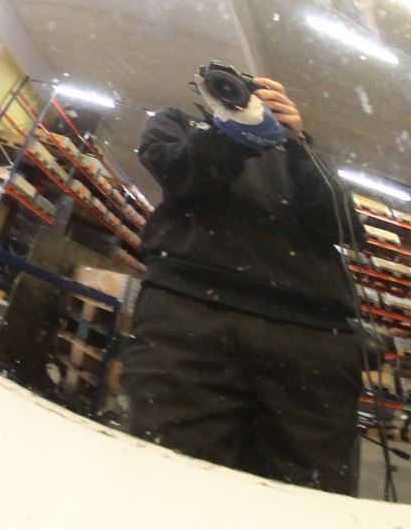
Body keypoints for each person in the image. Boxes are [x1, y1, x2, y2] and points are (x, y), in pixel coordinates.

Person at [119, 65, 373, 494]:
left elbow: (344, 226)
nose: (237, 92)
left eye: (249, 89)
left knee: (312, 497)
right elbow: (177, 172)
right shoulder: (178, 122)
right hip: (190, 315)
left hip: (311, 335)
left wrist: (297, 142)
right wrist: (233, 132)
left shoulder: (297, 152)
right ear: (202, 87)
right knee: (167, 481)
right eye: (226, 85)